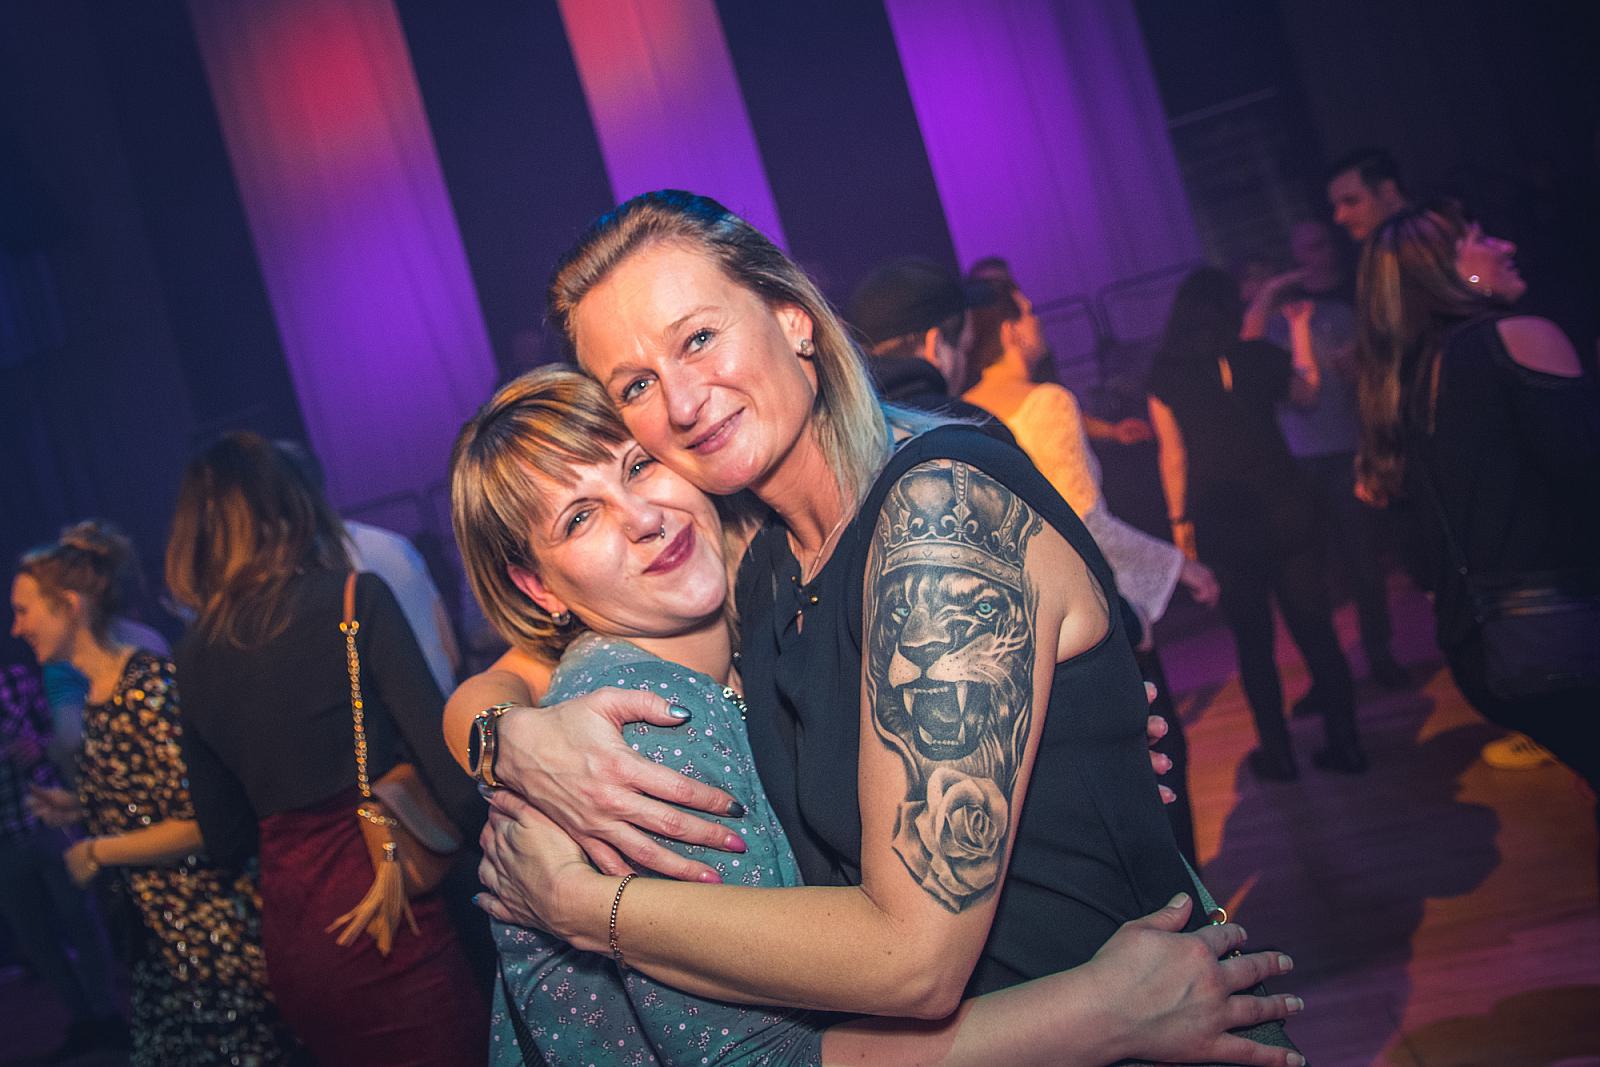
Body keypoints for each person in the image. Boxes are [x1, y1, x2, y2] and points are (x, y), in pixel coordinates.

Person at [455, 190, 1303, 1065]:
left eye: (698, 338)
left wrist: (582, 906)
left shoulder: (940, 514)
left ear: (792, 317)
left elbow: (914, 960)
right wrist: (505, 734)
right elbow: (537, 656)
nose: (682, 400)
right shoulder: (767, 565)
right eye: (636, 385)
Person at [166, 433, 486, 1067]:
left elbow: (224, 838)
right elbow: (446, 770)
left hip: (297, 936)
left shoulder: (192, 654)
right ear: (294, 506)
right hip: (391, 908)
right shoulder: (353, 597)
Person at [11, 523, 298, 1065]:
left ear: (69, 605)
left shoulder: (146, 687)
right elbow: (148, 795)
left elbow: (204, 821)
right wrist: (82, 806)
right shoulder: (99, 695)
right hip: (161, 946)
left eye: (24, 611)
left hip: (210, 944)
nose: (16, 628)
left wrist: (96, 851)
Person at [961, 272, 1220, 860]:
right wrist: (1179, 567)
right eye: (1029, 312)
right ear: (1011, 332)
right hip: (1089, 613)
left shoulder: (963, 411)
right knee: (1157, 767)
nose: (1039, 323)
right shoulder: (1047, 401)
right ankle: (1187, 900)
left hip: (1018, 627)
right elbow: (1085, 524)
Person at [1353, 206, 1600, 810]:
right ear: (1446, 270)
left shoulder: (1404, 384)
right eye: (1481, 238)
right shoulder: (1518, 337)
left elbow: (1419, 555)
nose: (1505, 243)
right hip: (1561, 630)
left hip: (1484, 650)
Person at [1148, 268, 1366, 781]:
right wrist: (1299, 334)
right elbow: (1309, 394)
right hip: (1286, 507)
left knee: (1253, 643)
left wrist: (1180, 524)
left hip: (1224, 519)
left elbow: (1173, 455)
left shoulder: (1164, 373)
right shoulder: (1258, 356)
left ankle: (1278, 755)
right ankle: (1347, 745)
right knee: (1316, 631)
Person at [1242, 220, 1407, 689]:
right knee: (1307, 573)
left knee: (1363, 563)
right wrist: (1272, 290)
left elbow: (1373, 377)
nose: (1312, 258)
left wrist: (1358, 371)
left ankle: (1380, 656)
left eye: (1319, 247)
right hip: (1295, 461)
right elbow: (1246, 348)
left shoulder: (1340, 312)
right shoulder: (1274, 324)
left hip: (1345, 451)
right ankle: (1327, 676)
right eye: (1302, 250)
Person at [0, 636, 126, 1061]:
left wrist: (37, 745)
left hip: (45, 817)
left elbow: (60, 733)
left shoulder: (17, 678)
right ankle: (83, 1019)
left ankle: (108, 1014)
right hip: (3, 840)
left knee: (82, 921)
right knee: (36, 939)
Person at [275, 440, 462, 694]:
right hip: (445, 700)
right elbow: (450, 653)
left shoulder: (306, 576)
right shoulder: (393, 544)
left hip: (388, 715)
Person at [846, 255, 1011, 432]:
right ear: (935, 345)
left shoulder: (846, 432)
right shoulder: (975, 427)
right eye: (965, 349)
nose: (965, 365)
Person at [1326, 147, 1409, 243]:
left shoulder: (1415, 242)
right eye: (1335, 207)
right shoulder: (1386, 244)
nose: (1339, 217)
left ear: (1388, 192)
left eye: (1351, 201)